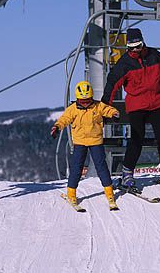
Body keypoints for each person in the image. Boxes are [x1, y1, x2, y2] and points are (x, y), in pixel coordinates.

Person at [101, 28, 160, 189]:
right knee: (137, 138)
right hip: (137, 105)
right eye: (132, 47)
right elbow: (111, 85)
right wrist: (104, 108)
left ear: (143, 43)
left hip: (158, 103)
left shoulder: (155, 56)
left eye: (138, 46)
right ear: (128, 47)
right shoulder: (125, 63)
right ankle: (127, 172)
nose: (136, 50)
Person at [51, 81, 120, 210]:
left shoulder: (97, 106)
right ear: (77, 99)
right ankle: (71, 194)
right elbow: (64, 119)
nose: (85, 103)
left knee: (102, 167)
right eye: (82, 101)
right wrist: (57, 127)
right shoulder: (73, 109)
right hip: (80, 143)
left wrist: (114, 114)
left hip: (95, 142)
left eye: (87, 100)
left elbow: (108, 109)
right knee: (76, 168)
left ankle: (109, 193)